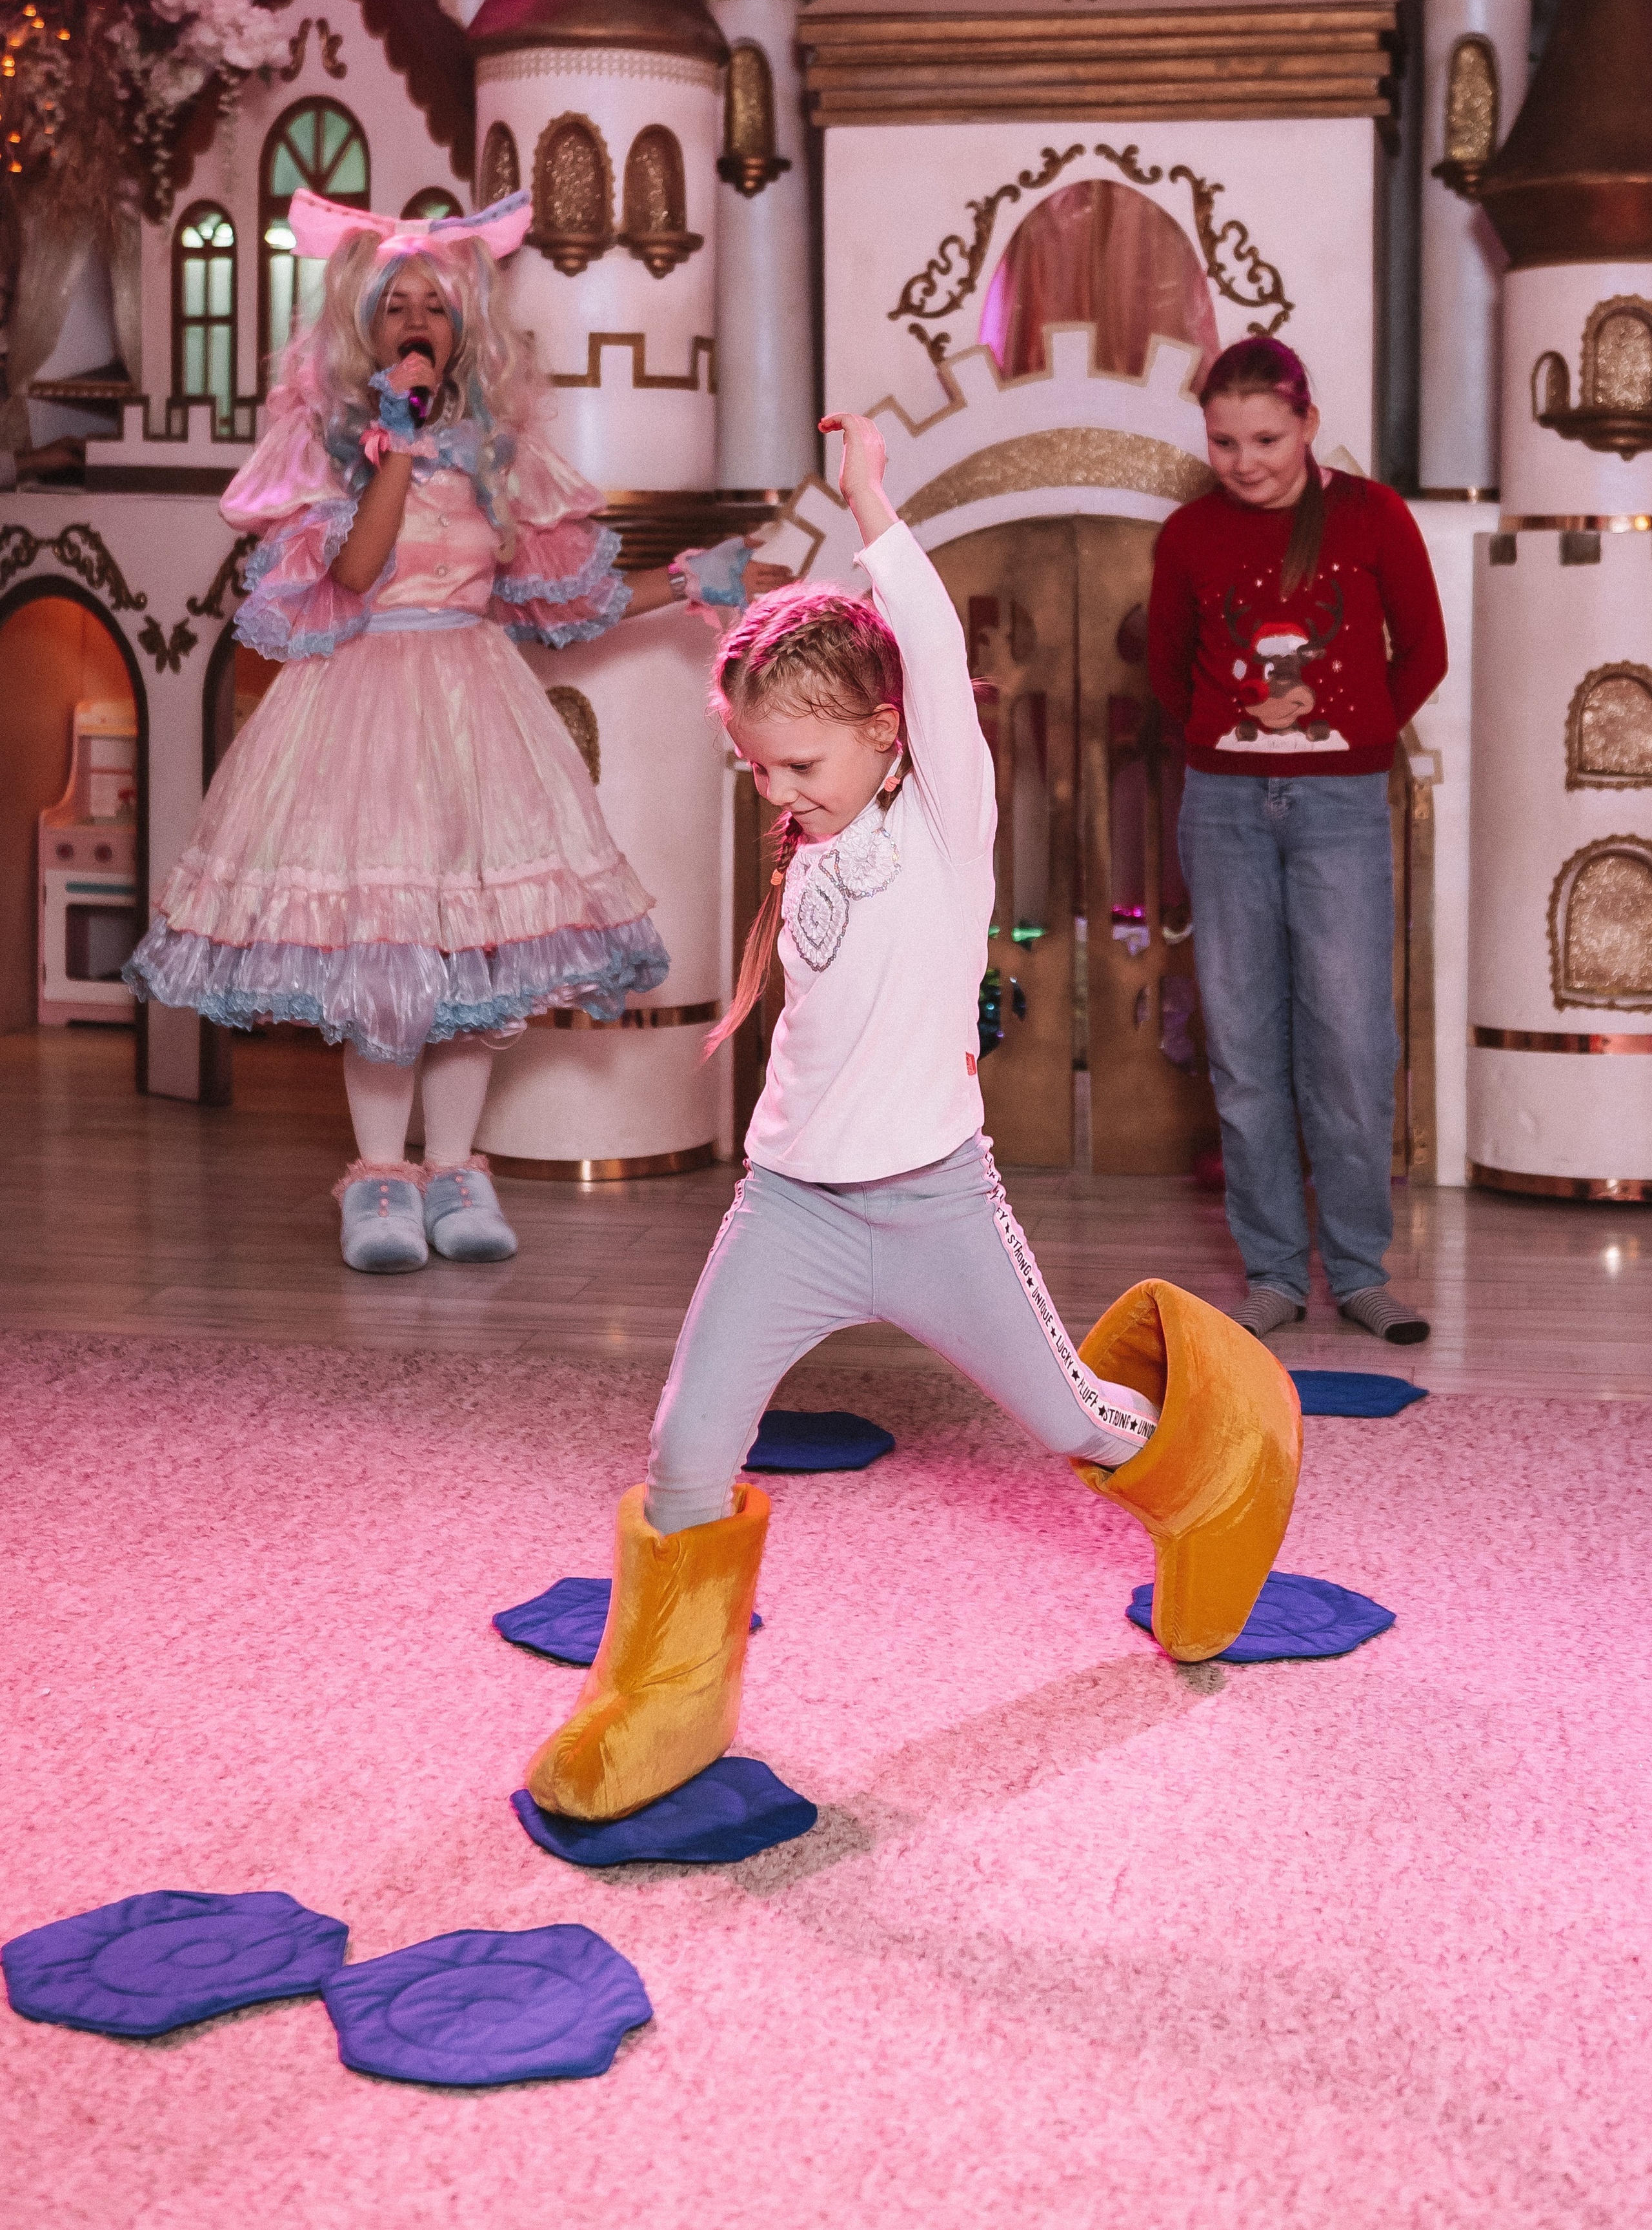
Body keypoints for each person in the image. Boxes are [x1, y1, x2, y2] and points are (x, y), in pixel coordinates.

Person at [522, 412, 1300, 1826]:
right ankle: (663, 1694)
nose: (781, 793)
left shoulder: (943, 826)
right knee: (689, 1442)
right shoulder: (806, 848)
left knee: (1067, 1411)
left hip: (936, 1203)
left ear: (886, 741)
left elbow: (930, 655)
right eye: (760, 769)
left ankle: (1225, 1461)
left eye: (803, 767)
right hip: (789, 1211)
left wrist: (876, 510)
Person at [125, 190, 752, 1275]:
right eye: (396, 301)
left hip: (477, 713)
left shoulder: (492, 456)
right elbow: (354, 576)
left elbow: (556, 606)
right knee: (383, 966)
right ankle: (380, 1184)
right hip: (362, 708)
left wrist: (690, 581)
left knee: (468, 970)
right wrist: (396, 448)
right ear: (366, 326)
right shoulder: (333, 451)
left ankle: (458, 1174)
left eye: (436, 305)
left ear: (463, 330)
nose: (417, 317)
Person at [1148, 336, 1448, 1346]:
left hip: (1341, 808)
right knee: (1241, 1046)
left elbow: (1427, 651)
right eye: (1224, 440)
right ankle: (1274, 1274)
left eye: (1266, 437)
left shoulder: (1373, 518)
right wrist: (1228, 744)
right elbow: (1166, 668)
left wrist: (1351, 738)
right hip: (1223, 809)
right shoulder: (1188, 535)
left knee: (1353, 1045)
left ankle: (1361, 1271)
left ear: (1309, 425)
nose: (1246, 460)